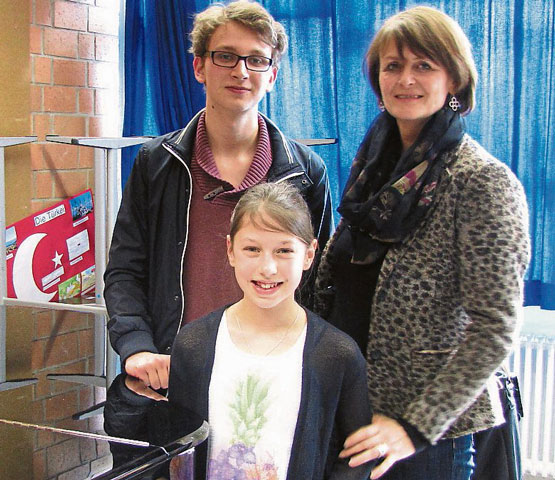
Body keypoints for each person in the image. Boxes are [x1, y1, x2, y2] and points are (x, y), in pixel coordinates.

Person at [103, 0, 333, 459]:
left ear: (273, 74)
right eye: (225, 56)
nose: (241, 70)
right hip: (171, 379)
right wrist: (136, 347)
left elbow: (324, 283)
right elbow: (125, 270)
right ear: (199, 67)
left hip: (269, 384)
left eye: (257, 59)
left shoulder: (305, 172)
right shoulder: (157, 163)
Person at [313, 6, 530, 480]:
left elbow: (495, 327)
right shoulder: (372, 169)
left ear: (453, 80)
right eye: (393, 66)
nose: (405, 79)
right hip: (343, 408)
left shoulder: (483, 182)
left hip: (423, 438)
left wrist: (414, 427)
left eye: (424, 65)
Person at [167, 182, 374, 480]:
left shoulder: (337, 354)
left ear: (309, 254)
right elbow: (177, 452)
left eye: (283, 251)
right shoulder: (193, 345)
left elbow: (358, 456)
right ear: (231, 250)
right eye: (252, 249)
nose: (268, 268)